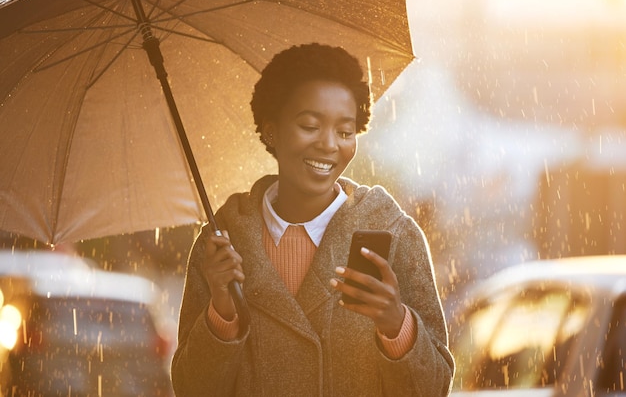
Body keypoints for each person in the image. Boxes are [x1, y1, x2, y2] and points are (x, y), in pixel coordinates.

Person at [171, 43, 455, 396]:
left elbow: (434, 389)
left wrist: (396, 324)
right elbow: (190, 389)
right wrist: (222, 312)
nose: (329, 144)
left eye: (345, 131)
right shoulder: (221, 244)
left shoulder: (393, 234)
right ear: (270, 130)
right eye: (309, 125)